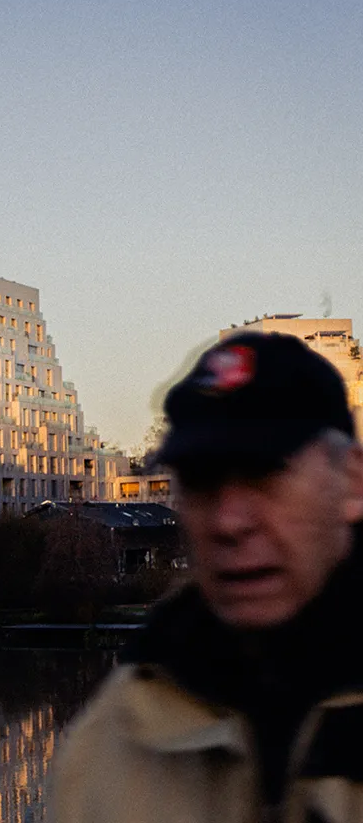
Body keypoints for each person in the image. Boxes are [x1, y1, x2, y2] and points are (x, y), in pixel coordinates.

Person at [50, 331, 363, 823]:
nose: (227, 522)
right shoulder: (111, 742)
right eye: (201, 482)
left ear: (351, 482)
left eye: (264, 473)